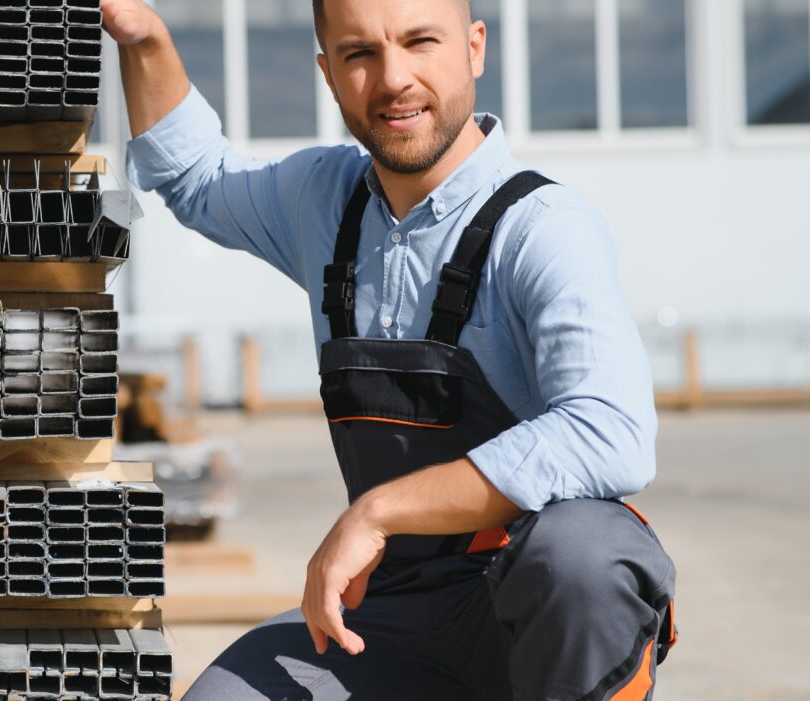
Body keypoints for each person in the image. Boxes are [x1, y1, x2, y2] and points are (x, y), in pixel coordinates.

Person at [102, 0, 678, 698]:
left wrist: (378, 510)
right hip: (388, 615)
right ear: (328, 72)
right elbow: (196, 179)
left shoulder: (545, 229)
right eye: (359, 54)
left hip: (525, 612)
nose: (393, 77)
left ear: (474, 48)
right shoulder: (323, 200)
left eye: (420, 42)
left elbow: (609, 431)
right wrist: (145, 38)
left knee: (584, 555)